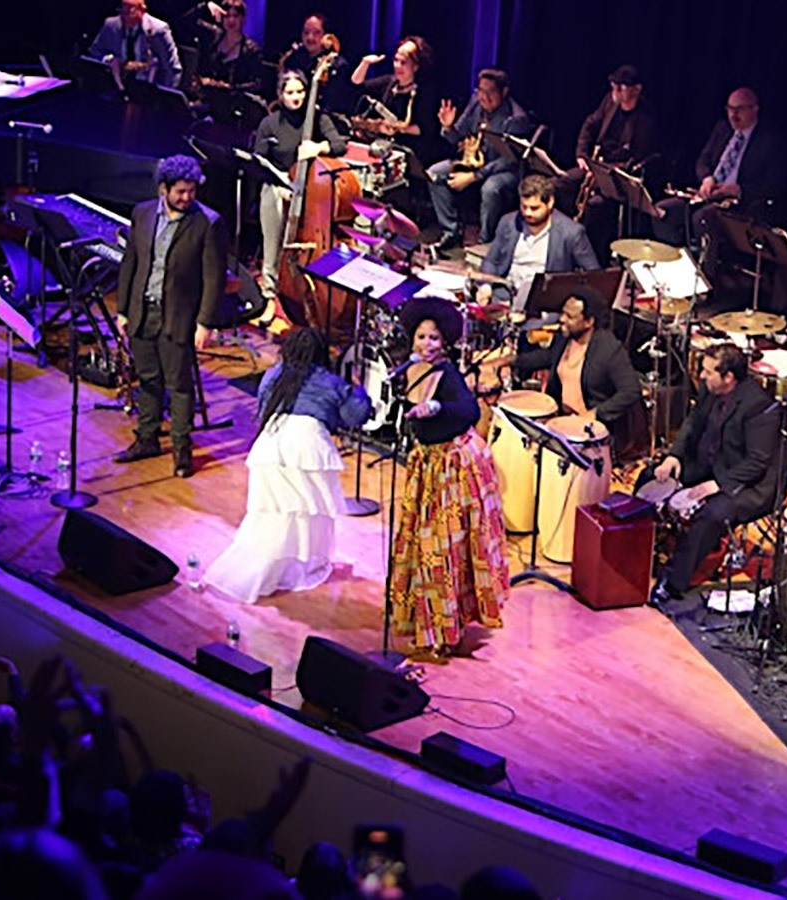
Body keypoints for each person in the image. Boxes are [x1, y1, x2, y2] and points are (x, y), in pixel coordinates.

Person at [205, 328, 368, 604]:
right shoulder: (330, 381)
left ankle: (269, 569)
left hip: (271, 444)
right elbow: (355, 416)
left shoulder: (273, 374)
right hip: (306, 447)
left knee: (273, 514)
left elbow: (263, 408)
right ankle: (285, 570)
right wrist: (359, 389)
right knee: (302, 516)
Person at [389, 298, 509, 661]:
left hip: (455, 467)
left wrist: (436, 407)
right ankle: (427, 623)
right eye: (422, 337)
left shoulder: (449, 375)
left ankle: (446, 630)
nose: (427, 344)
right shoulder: (408, 371)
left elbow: (470, 411)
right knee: (424, 547)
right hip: (427, 465)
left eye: (434, 339)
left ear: (445, 343)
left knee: (445, 551)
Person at [111, 155, 231, 479]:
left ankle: (181, 451)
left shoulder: (208, 223)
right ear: (163, 189)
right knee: (148, 379)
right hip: (142, 311)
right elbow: (130, 264)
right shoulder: (143, 213)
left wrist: (204, 323)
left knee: (179, 385)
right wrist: (123, 310)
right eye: (180, 191)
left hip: (179, 316)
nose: (187, 197)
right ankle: (147, 439)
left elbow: (214, 278)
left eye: (191, 191)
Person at [643, 344, 783, 604]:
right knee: (650, 476)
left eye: (708, 372)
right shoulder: (711, 389)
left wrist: (718, 484)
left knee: (712, 514)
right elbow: (692, 423)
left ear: (728, 377)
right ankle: (638, 548)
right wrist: (674, 456)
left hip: (748, 482)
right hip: (710, 464)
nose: (702, 376)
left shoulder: (759, 407)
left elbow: (757, 461)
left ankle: (673, 581)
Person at [251, 69, 345, 328]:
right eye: (290, 92)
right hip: (278, 185)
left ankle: (312, 296)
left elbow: (340, 145)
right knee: (273, 239)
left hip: (310, 190)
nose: (296, 97)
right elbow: (260, 160)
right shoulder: (270, 123)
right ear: (280, 95)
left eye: (301, 91)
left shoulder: (317, 118)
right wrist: (280, 183)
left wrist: (318, 147)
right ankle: (270, 295)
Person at [502, 287, 641, 455]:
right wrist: (511, 360)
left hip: (591, 435)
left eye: (570, 317)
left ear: (589, 322)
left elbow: (631, 391)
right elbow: (548, 357)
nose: (562, 319)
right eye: (563, 313)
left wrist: (595, 414)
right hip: (562, 422)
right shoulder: (564, 337)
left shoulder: (609, 349)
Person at [652, 87, 787, 247]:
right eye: (730, 109)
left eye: (739, 109)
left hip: (738, 203)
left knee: (703, 218)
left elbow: (773, 185)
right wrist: (707, 178)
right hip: (709, 193)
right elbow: (703, 160)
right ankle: (677, 256)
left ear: (754, 109)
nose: (733, 115)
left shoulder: (769, 140)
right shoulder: (722, 128)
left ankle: (707, 263)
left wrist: (738, 189)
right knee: (662, 211)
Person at [558, 64, 665, 253]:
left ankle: (589, 256)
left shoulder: (646, 120)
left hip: (616, 177)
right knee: (559, 184)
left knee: (595, 207)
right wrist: (581, 155)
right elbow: (590, 125)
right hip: (594, 165)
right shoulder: (609, 101)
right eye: (614, 84)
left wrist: (601, 174)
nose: (615, 90)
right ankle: (561, 243)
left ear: (637, 89)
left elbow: (635, 161)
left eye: (621, 86)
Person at [428, 68, 538, 251]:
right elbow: (457, 137)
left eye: (490, 92)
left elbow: (508, 160)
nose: (483, 97)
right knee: (434, 173)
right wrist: (448, 127)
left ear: (504, 92)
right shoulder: (475, 104)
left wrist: (475, 176)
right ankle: (451, 231)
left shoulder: (516, 119)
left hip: (504, 169)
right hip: (473, 163)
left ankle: (483, 242)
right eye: (480, 91)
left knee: (490, 188)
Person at [478, 175, 600, 312]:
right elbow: (492, 260)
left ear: (550, 203)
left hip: (543, 304)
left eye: (534, 208)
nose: (528, 213)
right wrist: (486, 286)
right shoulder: (508, 222)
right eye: (524, 207)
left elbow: (593, 275)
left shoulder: (571, 233)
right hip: (505, 294)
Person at [349, 36, 441, 163]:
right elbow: (357, 84)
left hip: (410, 151)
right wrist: (365, 63)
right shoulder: (389, 82)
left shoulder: (424, 92)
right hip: (384, 147)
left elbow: (425, 129)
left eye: (403, 62)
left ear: (415, 66)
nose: (397, 66)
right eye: (396, 60)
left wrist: (397, 128)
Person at [87, 0, 183, 90]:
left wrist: (161, 96)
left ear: (142, 10)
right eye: (123, 8)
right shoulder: (111, 25)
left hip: (148, 88)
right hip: (115, 85)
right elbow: (94, 52)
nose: (124, 15)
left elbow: (172, 68)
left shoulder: (159, 30)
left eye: (130, 9)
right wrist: (109, 60)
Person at [277, 14, 352, 115]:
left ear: (326, 36)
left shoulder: (337, 65)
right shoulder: (293, 60)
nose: (310, 37)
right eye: (306, 32)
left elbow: (337, 104)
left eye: (316, 33)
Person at [194, 0, 264, 96]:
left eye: (235, 16)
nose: (231, 20)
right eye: (227, 16)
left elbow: (257, 84)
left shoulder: (252, 50)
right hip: (205, 97)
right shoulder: (212, 36)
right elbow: (188, 20)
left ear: (243, 18)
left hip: (234, 101)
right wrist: (206, 6)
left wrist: (230, 88)